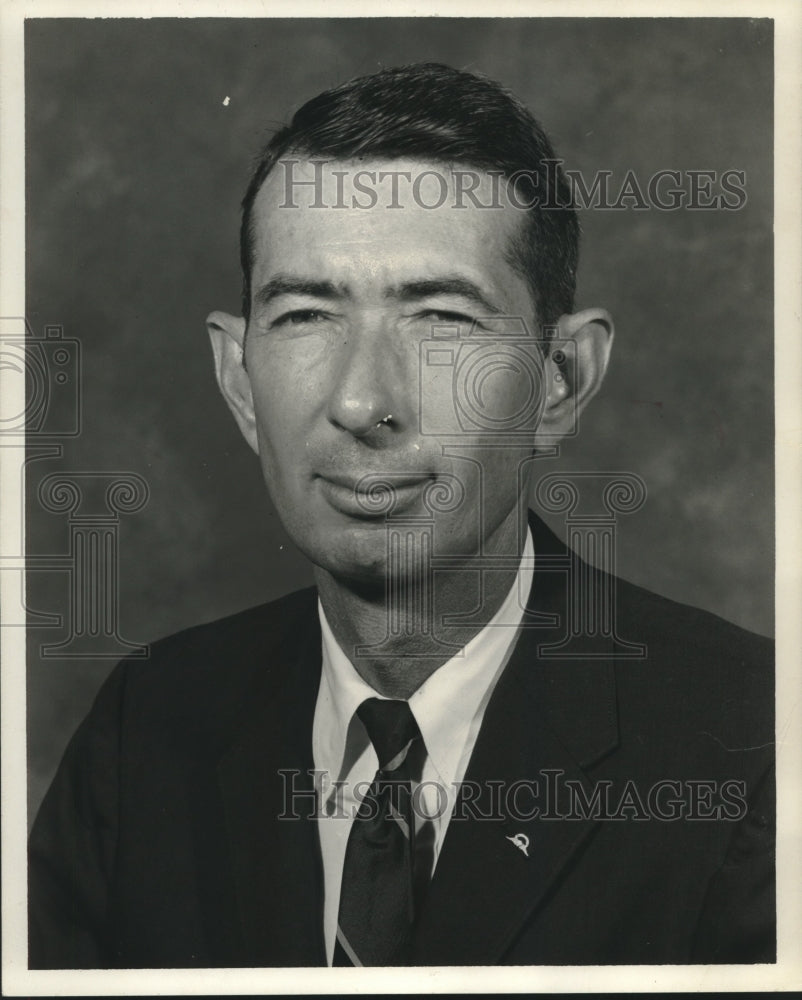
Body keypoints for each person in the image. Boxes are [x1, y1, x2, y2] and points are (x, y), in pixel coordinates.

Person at [28, 63, 774, 969]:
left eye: (442, 321)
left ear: (560, 381)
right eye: (306, 314)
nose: (361, 402)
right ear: (239, 379)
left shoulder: (755, 749)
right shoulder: (144, 731)